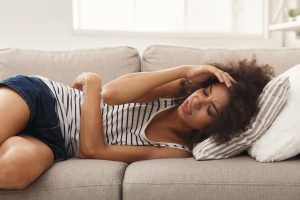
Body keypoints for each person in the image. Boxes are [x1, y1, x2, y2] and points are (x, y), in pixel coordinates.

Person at [0, 58, 273, 190]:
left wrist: (93, 84)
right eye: (204, 92)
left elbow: (92, 150)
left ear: (217, 128)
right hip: (44, 100)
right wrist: (184, 72)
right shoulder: (174, 92)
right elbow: (113, 94)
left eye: (210, 110)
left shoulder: (176, 149)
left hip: (54, 143)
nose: (197, 102)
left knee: (13, 172)